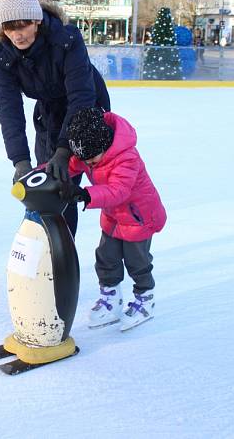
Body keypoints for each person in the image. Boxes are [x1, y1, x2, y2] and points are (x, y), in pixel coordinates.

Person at [0, 0, 110, 236]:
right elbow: (8, 108)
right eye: (9, 27)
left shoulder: (66, 40)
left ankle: (64, 253)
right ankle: (43, 249)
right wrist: (19, 160)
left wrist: (64, 150)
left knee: (66, 184)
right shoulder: (5, 53)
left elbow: (81, 96)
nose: (17, 34)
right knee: (45, 184)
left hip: (88, 110)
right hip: (48, 113)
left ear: (36, 19)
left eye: (23, 25)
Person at [63, 108, 166, 331]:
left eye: (91, 160)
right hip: (113, 216)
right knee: (105, 257)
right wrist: (47, 171)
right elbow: (72, 165)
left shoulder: (126, 157)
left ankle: (145, 300)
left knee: (137, 263)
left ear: (104, 145)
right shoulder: (92, 153)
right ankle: (111, 299)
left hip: (138, 217)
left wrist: (86, 194)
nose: (88, 165)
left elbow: (119, 190)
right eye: (85, 161)